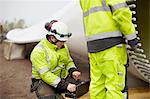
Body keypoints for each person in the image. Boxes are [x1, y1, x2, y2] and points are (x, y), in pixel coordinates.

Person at [80, 0, 139, 99]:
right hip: (111, 46)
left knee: (97, 85)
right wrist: (131, 37)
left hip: (93, 46)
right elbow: (121, 11)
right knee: (115, 85)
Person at [30, 20, 81, 99]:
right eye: (61, 41)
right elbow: (45, 74)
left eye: (64, 41)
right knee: (51, 97)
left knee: (80, 88)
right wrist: (65, 85)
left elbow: (68, 61)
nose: (63, 44)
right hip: (42, 80)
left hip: (60, 78)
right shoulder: (38, 52)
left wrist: (72, 70)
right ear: (52, 38)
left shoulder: (62, 46)